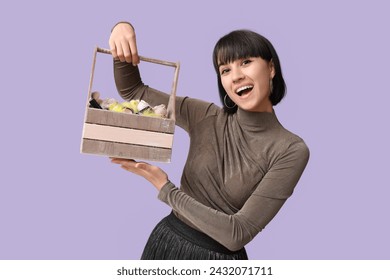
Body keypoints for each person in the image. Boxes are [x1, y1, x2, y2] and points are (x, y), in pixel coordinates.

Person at [109, 21, 309, 260]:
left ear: (271, 68)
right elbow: (133, 90)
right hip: (165, 244)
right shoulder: (206, 116)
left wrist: (166, 189)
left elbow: (237, 233)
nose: (236, 76)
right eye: (225, 70)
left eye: (246, 62)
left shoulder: (291, 150)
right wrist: (121, 29)